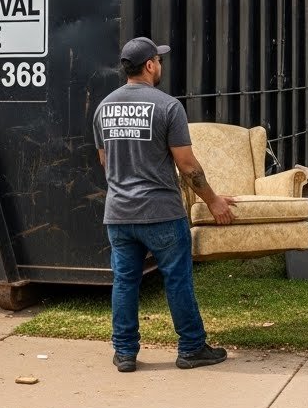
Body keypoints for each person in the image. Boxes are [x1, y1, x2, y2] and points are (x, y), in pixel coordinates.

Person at [94, 36, 237, 372]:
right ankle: (191, 348)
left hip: (118, 214)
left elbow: (105, 161)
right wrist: (214, 201)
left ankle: (125, 353)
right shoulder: (168, 106)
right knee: (177, 279)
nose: (160, 65)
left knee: (125, 282)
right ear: (149, 65)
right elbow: (187, 166)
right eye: (158, 60)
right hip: (160, 213)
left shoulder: (103, 107)